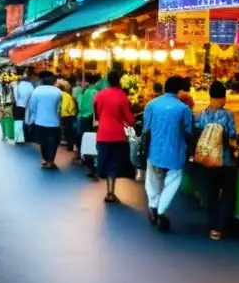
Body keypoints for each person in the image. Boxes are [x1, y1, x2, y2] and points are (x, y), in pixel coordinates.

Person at [143, 76, 193, 232]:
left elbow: (146, 129)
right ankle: (161, 210)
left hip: (154, 151)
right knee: (172, 181)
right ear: (179, 90)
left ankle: (153, 207)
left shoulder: (151, 105)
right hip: (175, 153)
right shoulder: (184, 109)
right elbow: (188, 132)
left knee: (152, 180)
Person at [194, 82, 239, 240]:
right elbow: (233, 136)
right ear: (223, 98)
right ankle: (219, 228)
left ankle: (211, 225)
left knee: (211, 194)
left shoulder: (201, 114)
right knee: (227, 194)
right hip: (225, 161)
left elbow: (196, 133)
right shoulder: (227, 115)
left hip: (206, 161)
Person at [94, 71, 135, 203]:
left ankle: (109, 192)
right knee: (114, 163)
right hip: (117, 136)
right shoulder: (122, 96)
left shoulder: (99, 95)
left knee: (104, 161)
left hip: (102, 134)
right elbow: (130, 120)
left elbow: (97, 115)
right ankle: (111, 192)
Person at [26, 71, 63, 169]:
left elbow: (33, 107)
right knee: (53, 142)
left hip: (40, 121)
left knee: (43, 142)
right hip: (54, 121)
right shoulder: (58, 92)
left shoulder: (37, 91)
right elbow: (59, 108)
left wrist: (32, 119)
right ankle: (51, 160)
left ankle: (45, 159)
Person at [74, 74, 97, 164]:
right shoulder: (95, 92)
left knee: (82, 136)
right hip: (92, 117)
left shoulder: (84, 91)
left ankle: (81, 154)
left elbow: (79, 103)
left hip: (82, 116)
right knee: (91, 136)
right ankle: (90, 155)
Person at [14, 70, 35, 142]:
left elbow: (16, 96)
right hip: (28, 106)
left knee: (18, 122)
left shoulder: (18, 85)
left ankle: (18, 138)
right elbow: (32, 97)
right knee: (27, 121)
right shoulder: (31, 86)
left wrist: (17, 102)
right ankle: (27, 137)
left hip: (19, 105)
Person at [58, 78, 77, 152]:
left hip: (66, 115)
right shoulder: (68, 95)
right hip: (70, 114)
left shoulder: (63, 95)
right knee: (69, 131)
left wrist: (62, 112)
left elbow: (64, 106)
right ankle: (70, 145)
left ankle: (70, 145)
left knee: (67, 131)